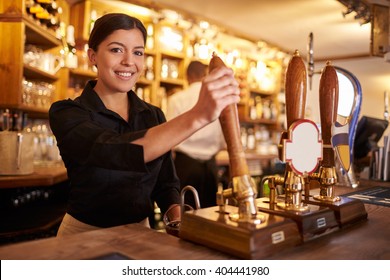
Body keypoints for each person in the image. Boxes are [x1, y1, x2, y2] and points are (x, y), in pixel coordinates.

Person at [48, 13, 240, 236]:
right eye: (116, 49)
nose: (129, 61)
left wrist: (178, 221)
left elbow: (166, 184)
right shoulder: (67, 112)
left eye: (137, 52)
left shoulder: (153, 115)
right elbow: (114, 151)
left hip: (142, 233)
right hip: (83, 236)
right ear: (93, 56)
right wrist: (198, 115)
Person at [166, 61, 226, 208]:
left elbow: (169, 139)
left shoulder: (177, 99)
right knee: (209, 215)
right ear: (205, 75)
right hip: (211, 167)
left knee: (185, 216)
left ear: (187, 76)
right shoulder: (218, 100)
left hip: (184, 166)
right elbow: (223, 141)